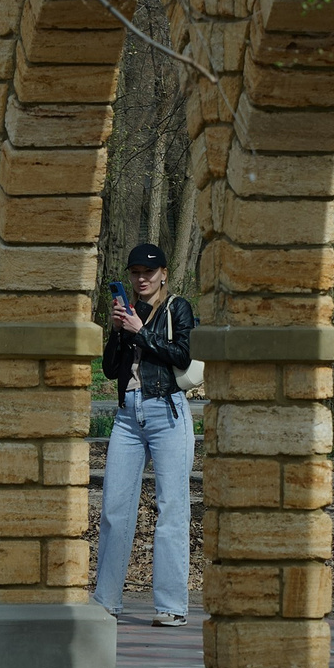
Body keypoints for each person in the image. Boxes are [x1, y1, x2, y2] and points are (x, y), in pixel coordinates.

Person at [94, 241, 196, 624]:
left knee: (172, 509)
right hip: (127, 417)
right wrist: (120, 332)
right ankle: (106, 601)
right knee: (114, 509)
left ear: (163, 274)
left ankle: (171, 606)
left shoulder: (177, 308)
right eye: (135, 273)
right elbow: (108, 369)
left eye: (148, 273)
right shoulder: (127, 312)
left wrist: (141, 332)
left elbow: (182, 355)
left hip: (167, 412)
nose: (141, 279)